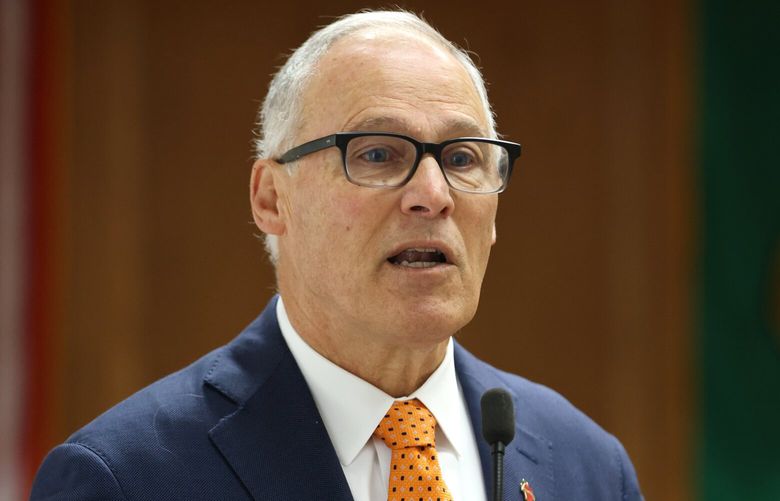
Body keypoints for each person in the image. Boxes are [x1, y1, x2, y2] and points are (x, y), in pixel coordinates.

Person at [31, 10, 643, 501]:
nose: (433, 195)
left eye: (461, 159)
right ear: (272, 198)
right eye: (378, 155)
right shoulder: (123, 480)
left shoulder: (587, 466)